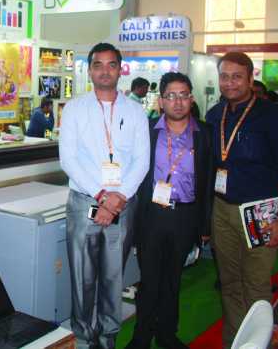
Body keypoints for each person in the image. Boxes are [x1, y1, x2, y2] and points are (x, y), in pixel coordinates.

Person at [59, 43, 150, 349]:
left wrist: (118, 198)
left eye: (112, 65)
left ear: (120, 70)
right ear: (90, 70)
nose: (105, 71)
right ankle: (84, 338)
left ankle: (108, 337)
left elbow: (142, 161)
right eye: (98, 65)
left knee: (113, 276)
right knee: (82, 276)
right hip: (84, 202)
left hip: (122, 204)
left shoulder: (135, 111)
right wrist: (101, 196)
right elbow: (68, 160)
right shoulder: (74, 109)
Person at [206, 52, 278, 348]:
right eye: (224, 76)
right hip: (222, 210)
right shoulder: (214, 115)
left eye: (237, 77)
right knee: (230, 283)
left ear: (250, 78)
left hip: (260, 213)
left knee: (256, 285)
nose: (229, 83)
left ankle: (259, 343)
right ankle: (235, 342)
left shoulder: (271, 115)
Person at [126, 73, 214, 349]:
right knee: (149, 280)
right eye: (171, 96)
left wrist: (205, 226)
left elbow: (209, 181)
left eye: (183, 95)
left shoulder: (205, 134)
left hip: (185, 216)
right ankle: (141, 337)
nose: (178, 102)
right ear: (161, 100)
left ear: (191, 99)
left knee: (173, 279)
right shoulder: (147, 131)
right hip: (151, 215)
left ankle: (166, 334)